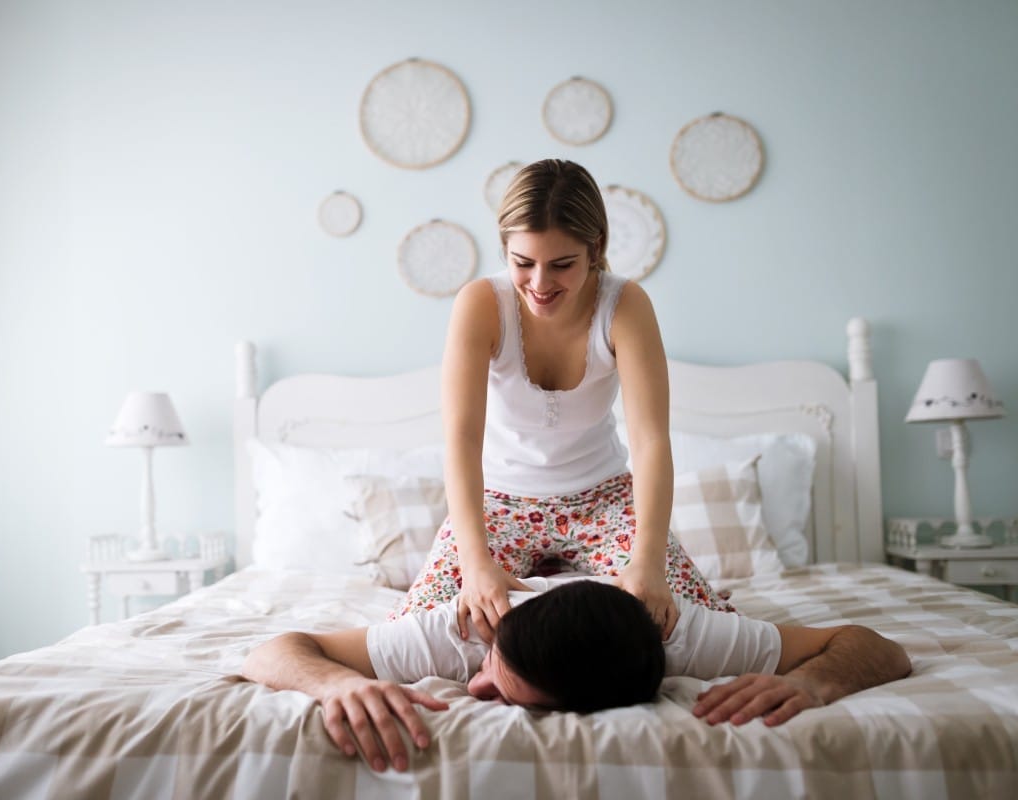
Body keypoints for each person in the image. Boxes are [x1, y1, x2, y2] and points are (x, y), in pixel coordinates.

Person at [394, 158, 721, 641]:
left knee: (692, 627)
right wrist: (476, 562)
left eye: (562, 264)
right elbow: (462, 441)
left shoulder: (626, 305)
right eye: (523, 263)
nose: (541, 284)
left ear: (596, 249)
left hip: (604, 498)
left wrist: (648, 561)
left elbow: (651, 441)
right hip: (499, 502)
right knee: (421, 630)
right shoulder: (480, 304)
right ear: (504, 250)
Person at [242, 577, 912, 774]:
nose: (474, 690)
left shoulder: (684, 635)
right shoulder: (464, 629)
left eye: (502, 699)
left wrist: (815, 684)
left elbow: (877, 646)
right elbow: (269, 652)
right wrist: (335, 683)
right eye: (492, 677)